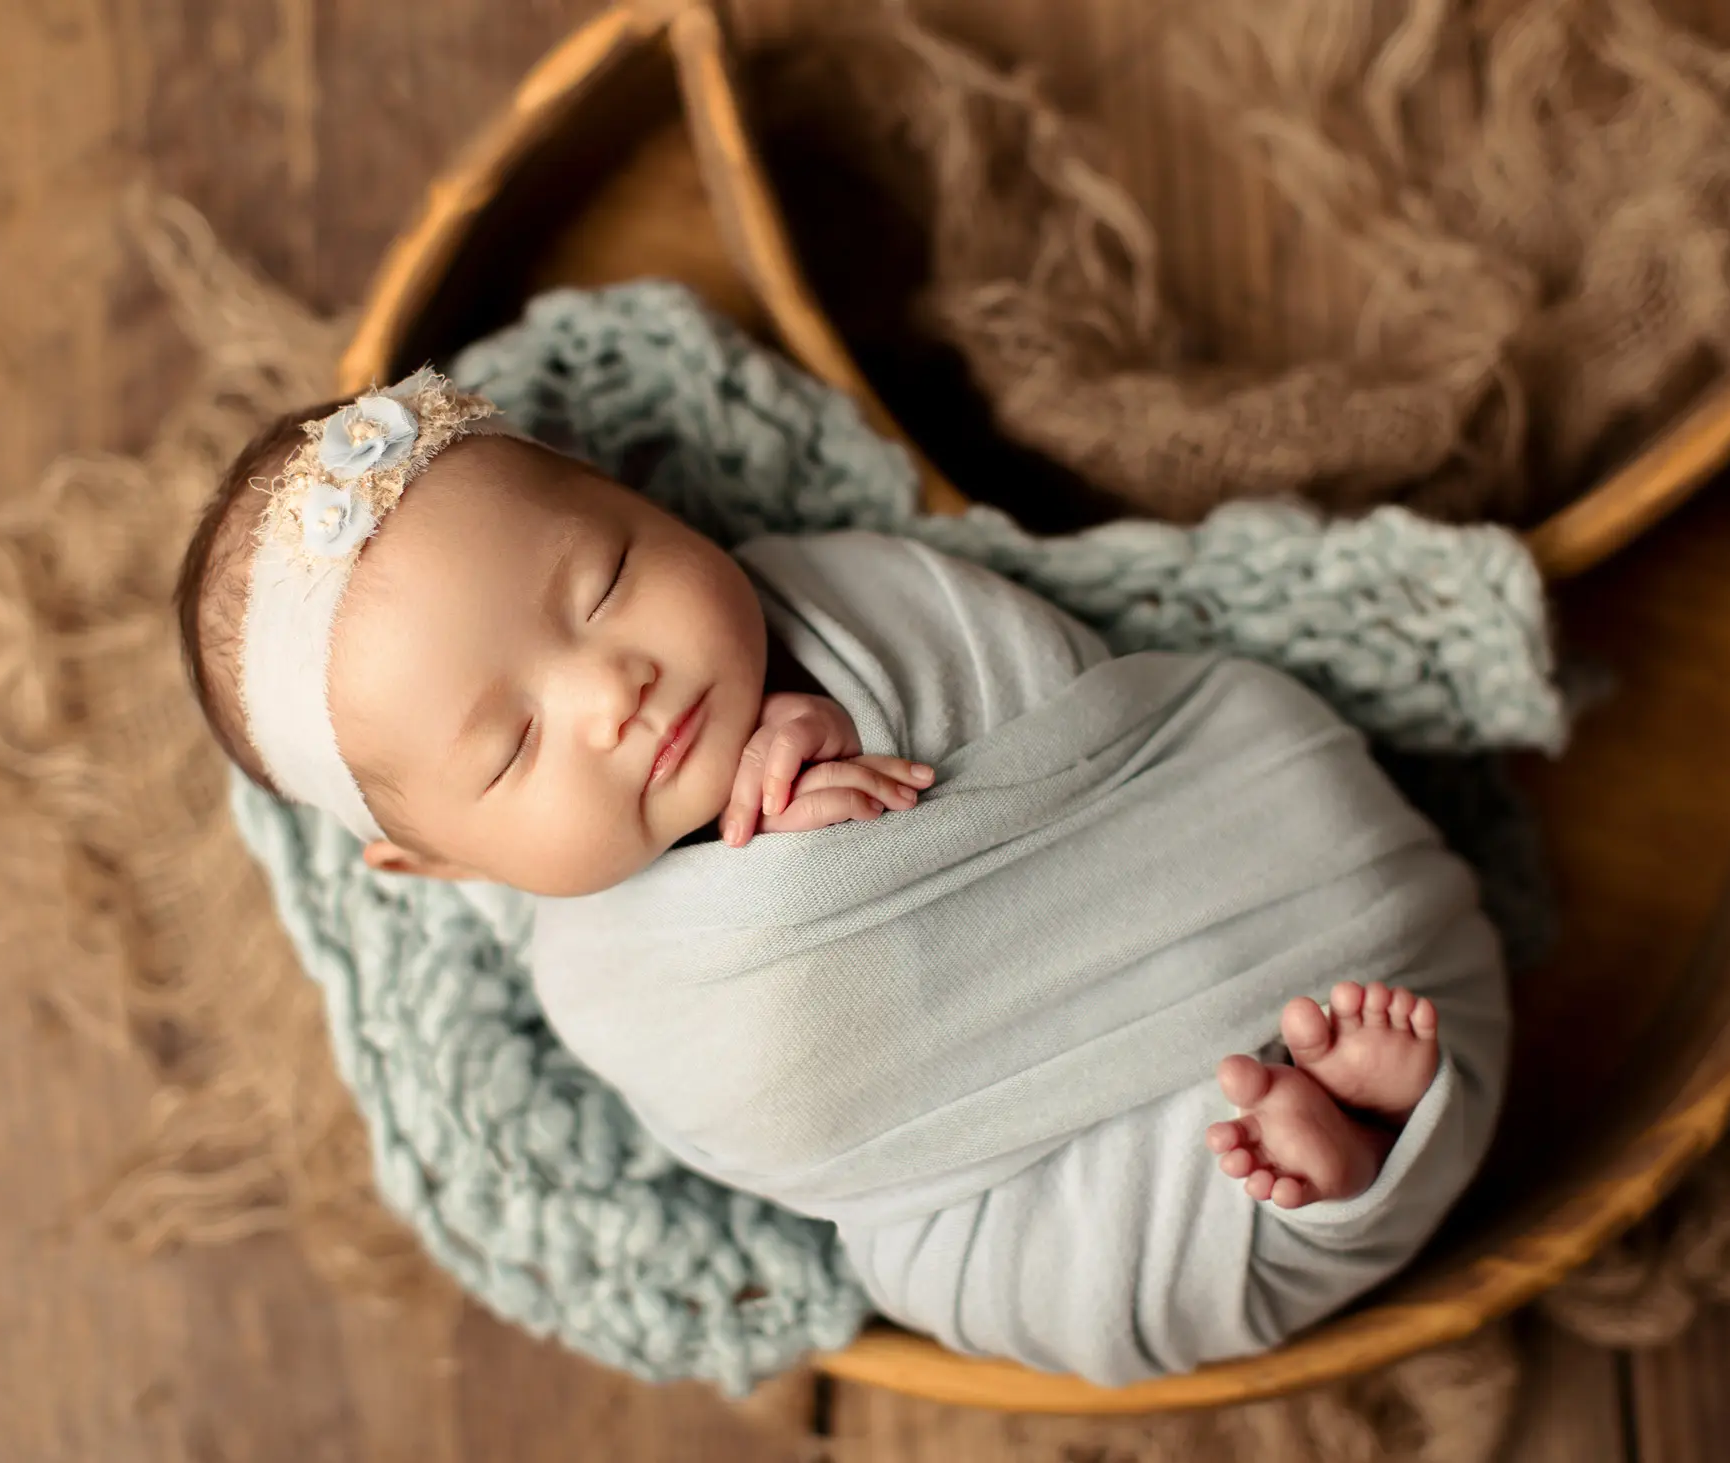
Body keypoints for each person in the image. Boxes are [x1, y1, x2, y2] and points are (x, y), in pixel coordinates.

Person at [176, 371, 1508, 1385]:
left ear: (652, 506)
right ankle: (1337, 1164)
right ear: (444, 862)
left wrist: (848, 720)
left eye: (607, 581)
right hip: (994, 1163)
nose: (610, 690)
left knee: (1282, 744)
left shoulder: (838, 599)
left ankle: (1346, 1129)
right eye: (513, 743)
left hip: (1252, 861)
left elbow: (1030, 672)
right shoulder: (601, 983)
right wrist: (806, 873)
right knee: (1016, 1278)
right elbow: (779, 1109)